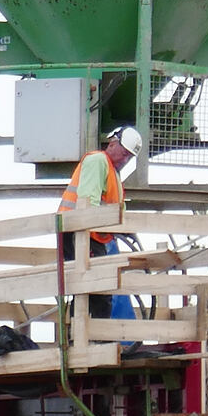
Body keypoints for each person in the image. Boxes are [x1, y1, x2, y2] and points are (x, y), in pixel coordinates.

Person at [59, 126, 142, 323]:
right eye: (123, 154)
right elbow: (88, 202)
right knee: (97, 290)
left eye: (129, 158)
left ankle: (84, 338)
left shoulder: (112, 171)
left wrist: (123, 228)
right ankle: (93, 341)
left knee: (91, 291)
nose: (124, 160)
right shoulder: (98, 161)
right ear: (112, 143)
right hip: (78, 231)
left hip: (88, 234)